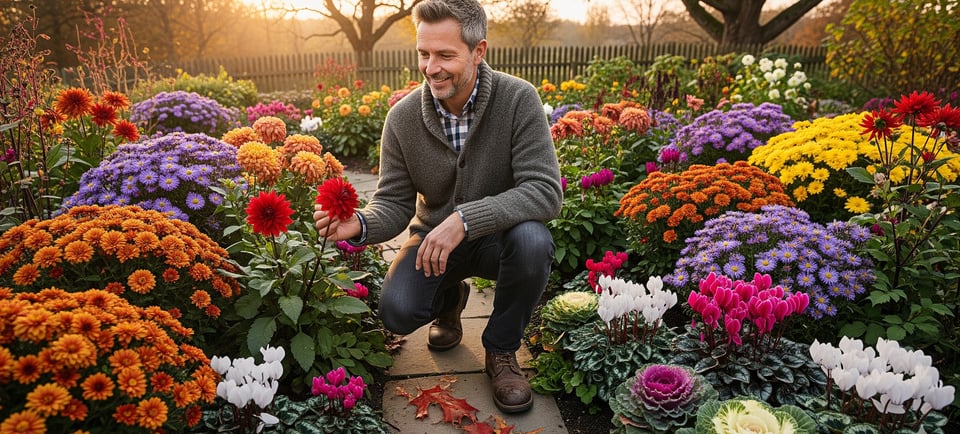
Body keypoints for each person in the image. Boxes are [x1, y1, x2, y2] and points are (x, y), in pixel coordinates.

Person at [313, 0, 561, 414]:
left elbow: (544, 190)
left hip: (500, 242)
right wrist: (357, 223)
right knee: (397, 311)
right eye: (424, 54)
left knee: (534, 241)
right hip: (432, 245)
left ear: (478, 51)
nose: (431, 67)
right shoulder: (402, 118)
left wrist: (465, 219)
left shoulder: (518, 99)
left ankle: (500, 351)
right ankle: (450, 301)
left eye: (445, 55)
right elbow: (393, 202)